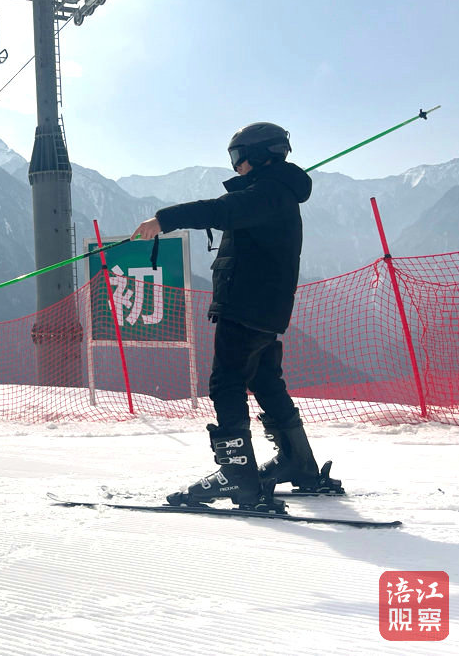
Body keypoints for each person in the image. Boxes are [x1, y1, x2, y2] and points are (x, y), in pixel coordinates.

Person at [131, 123, 340, 510]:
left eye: (238, 156)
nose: (236, 165)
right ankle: (298, 462)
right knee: (264, 379)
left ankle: (238, 475)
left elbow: (220, 210)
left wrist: (163, 220)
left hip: (246, 304)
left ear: (259, 155)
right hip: (265, 306)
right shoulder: (273, 192)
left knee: (226, 382)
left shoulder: (266, 193)